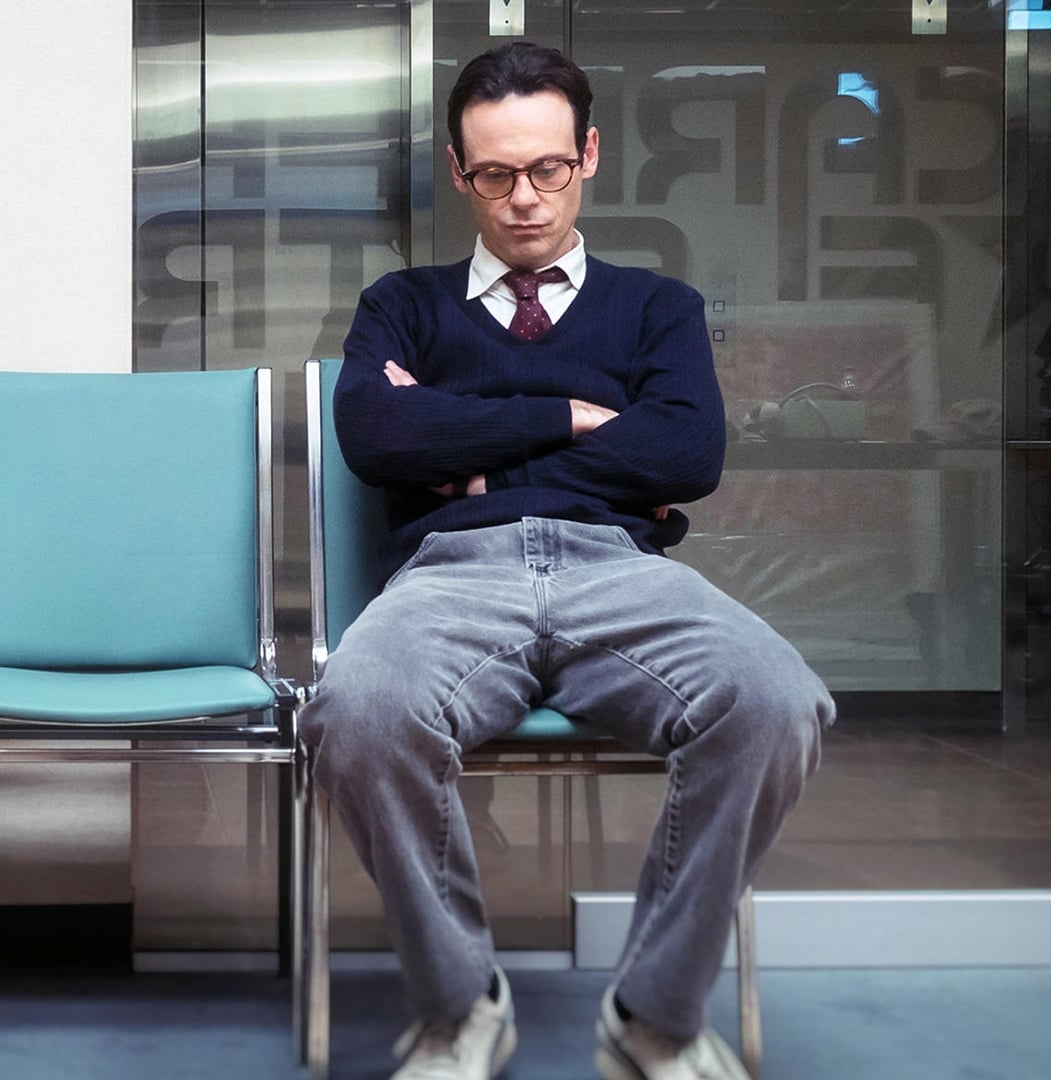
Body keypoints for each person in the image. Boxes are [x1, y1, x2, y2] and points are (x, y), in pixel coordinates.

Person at [300, 41, 834, 1080]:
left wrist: (470, 446)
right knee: (356, 714)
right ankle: (461, 1005)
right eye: (495, 174)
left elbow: (688, 454)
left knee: (777, 701)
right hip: (452, 574)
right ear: (459, 172)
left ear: (587, 155)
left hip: (619, 569)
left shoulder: (656, 308)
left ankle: (653, 1014)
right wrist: (574, 417)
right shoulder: (402, 305)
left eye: (547, 168)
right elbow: (374, 436)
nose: (524, 200)